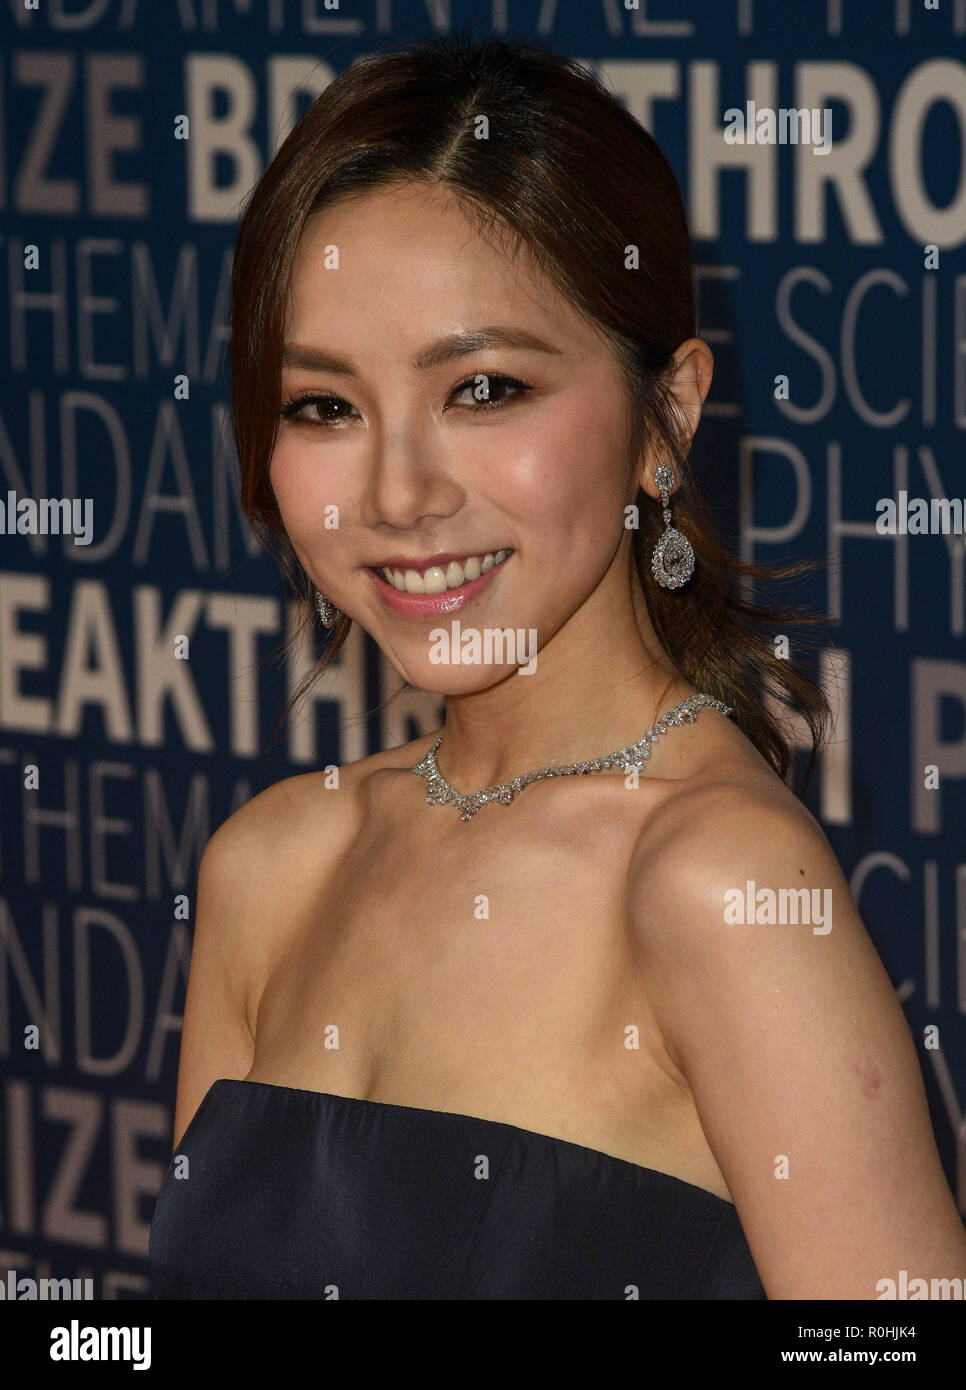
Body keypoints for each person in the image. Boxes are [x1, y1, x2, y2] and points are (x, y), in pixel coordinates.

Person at [149, 30, 966, 1300]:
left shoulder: (716, 887)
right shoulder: (267, 868)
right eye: (325, 406)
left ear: (666, 417)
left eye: (482, 388)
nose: (398, 494)